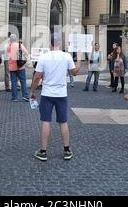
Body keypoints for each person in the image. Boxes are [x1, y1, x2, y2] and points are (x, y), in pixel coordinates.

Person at [30, 33, 82, 161]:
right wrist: (79, 58)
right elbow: (74, 73)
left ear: (50, 43)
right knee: (63, 122)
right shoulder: (66, 56)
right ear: (60, 43)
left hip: (47, 93)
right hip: (61, 94)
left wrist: (32, 92)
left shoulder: (44, 57)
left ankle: (43, 152)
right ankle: (67, 150)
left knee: (46, 121)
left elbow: (37, 77)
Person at [7, 34, 29, 102]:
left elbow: (7, 55)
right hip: (20, 66)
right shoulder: (19, 45)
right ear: (16, 39)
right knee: (23, 81)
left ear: (10, 39)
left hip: (12, 66)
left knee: (13, 82)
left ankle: (14, 97)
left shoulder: (8, 46)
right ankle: (25, 96)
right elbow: (26, 52)